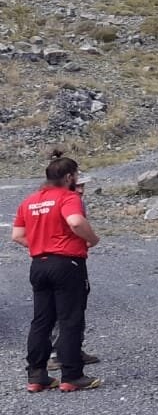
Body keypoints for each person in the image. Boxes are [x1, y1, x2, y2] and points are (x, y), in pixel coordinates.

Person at [12, 151, 100, 392]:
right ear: (69, 177)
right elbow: (75, 222)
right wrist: (92, 239)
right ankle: (72, 375)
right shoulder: (67, 197)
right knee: (70, 319)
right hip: (67, 264)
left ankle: (37, 376)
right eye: (77, 176)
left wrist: (42, 244)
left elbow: (17, 235)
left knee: (41, 320)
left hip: (39, 264)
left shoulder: (29, 201)